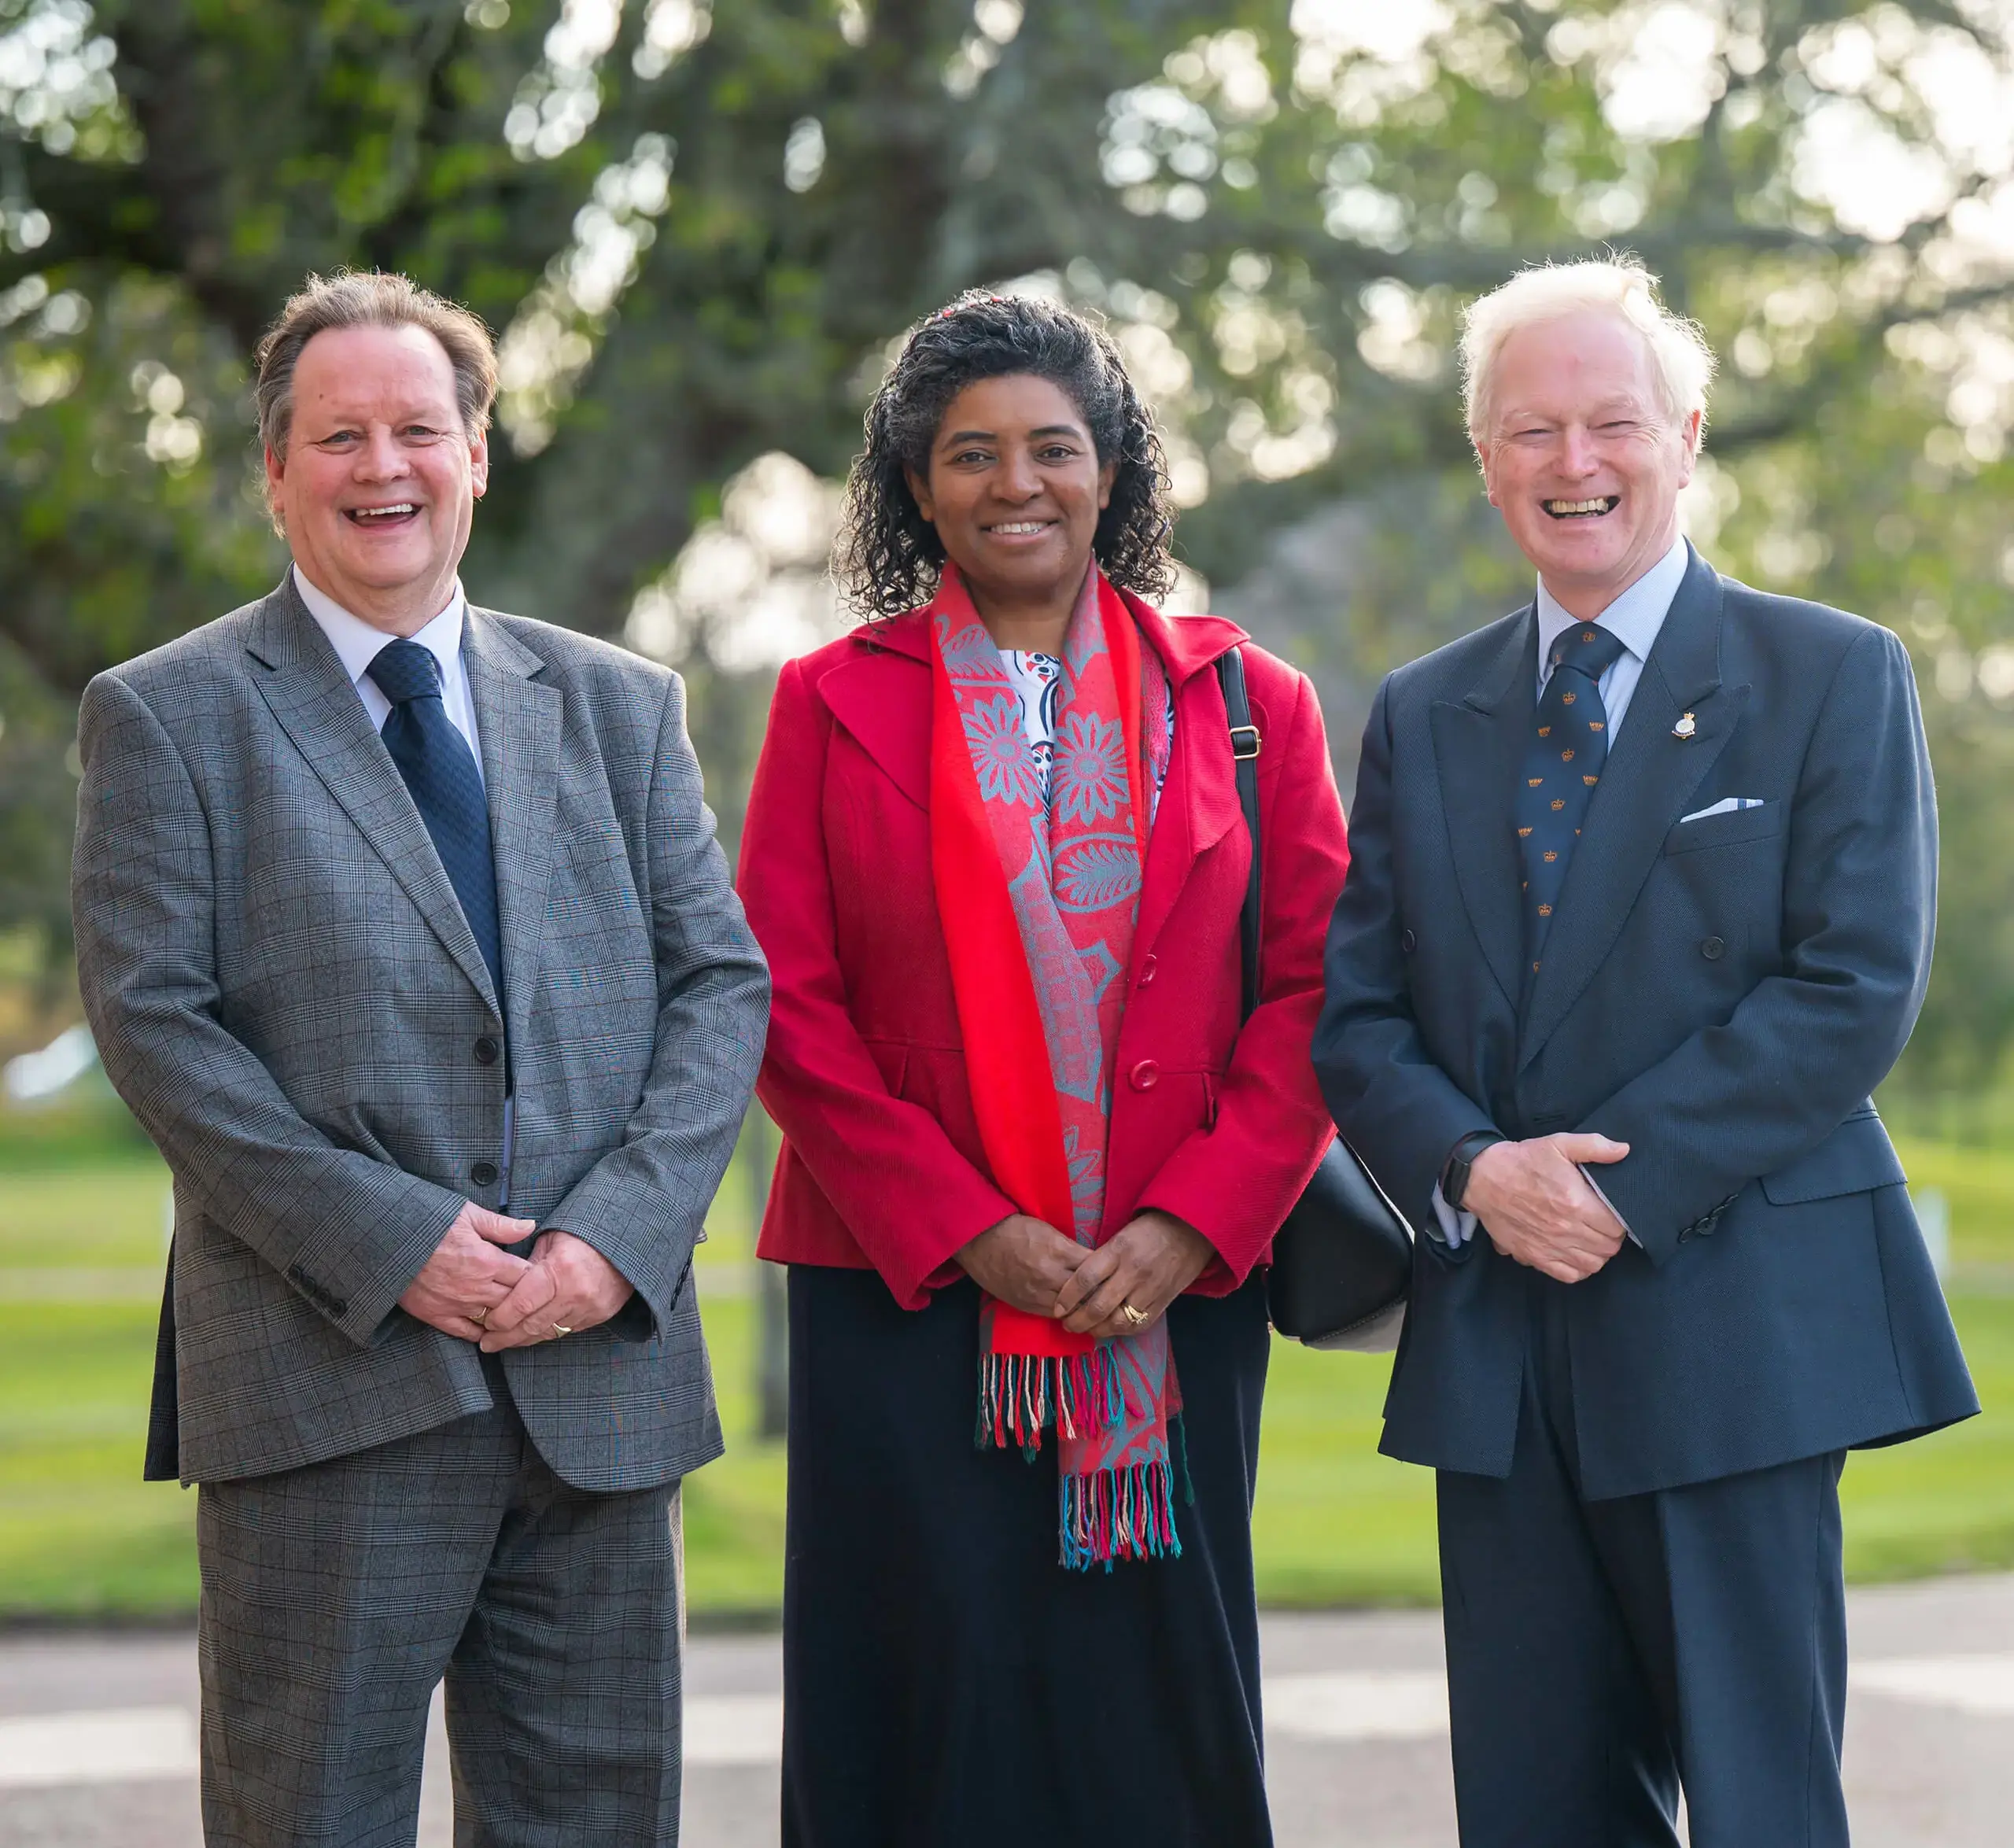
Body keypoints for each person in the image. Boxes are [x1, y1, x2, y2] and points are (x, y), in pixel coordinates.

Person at [72, 270, 769, 1846]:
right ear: (273, 470)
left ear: (475, 454)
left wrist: (610, 1243)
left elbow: (716, 984)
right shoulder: (168, 716)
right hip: (328, 1385)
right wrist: (398, 1247)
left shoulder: (618, 704)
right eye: (337, 437)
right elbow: (159, 1029)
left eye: (415, 429)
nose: (380, 466)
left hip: (597, 1384)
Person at [1312, 258, 1979, 1847]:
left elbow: (1850, 984)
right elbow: (1353, 1012)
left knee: (1757, 1806)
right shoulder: (1420, 711)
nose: (1572, 461)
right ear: (1481, 459)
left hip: (1730, 1325)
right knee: (1533, 1813)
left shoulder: (1829, 673)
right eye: (1527, 429)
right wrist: (1476, 1168)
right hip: (1497, 1342)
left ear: (1682, 435)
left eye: (1609, 420)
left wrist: (1611, 1188)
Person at [737, 292, 1348, 1846]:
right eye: (970, 455)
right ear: (914, 486)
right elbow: (781, 1004)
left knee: (1150, 1718)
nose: (1016, 483)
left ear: (1112, 470)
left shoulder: (1249, 704)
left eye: (1053, 449)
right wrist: (969, 1229)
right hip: (901, 1294)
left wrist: (1190, 1223)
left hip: (1169, 1293)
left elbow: (1311, 992)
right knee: (917, 1705)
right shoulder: (828, 701)